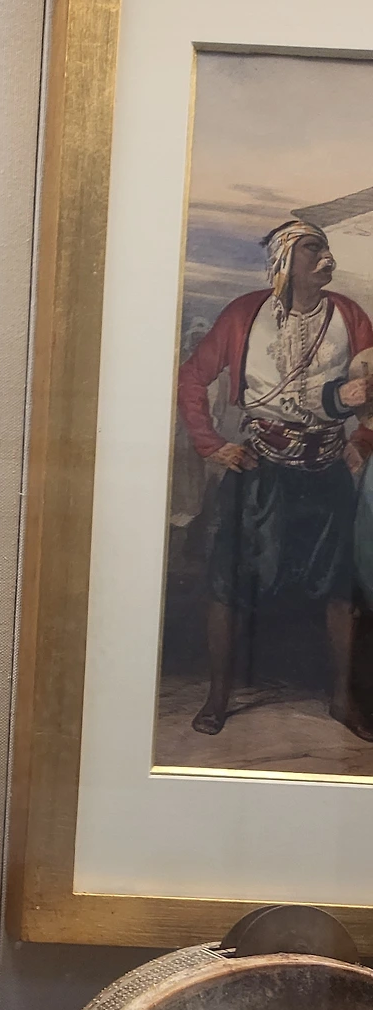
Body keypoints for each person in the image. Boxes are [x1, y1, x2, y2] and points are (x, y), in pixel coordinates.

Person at [176, 219, 373, 739]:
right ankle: (218, 697)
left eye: (326, 248)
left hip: (326, 469)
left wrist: (360, 441)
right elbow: (192, 377)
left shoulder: (350, 315)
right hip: (258, 468)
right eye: (313, 248)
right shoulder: (244, 313)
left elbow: (372, 391)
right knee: (227, 583)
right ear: (285, 259)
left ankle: (342, 700)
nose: (326, 257)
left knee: (340, 588)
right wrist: (212, 444)